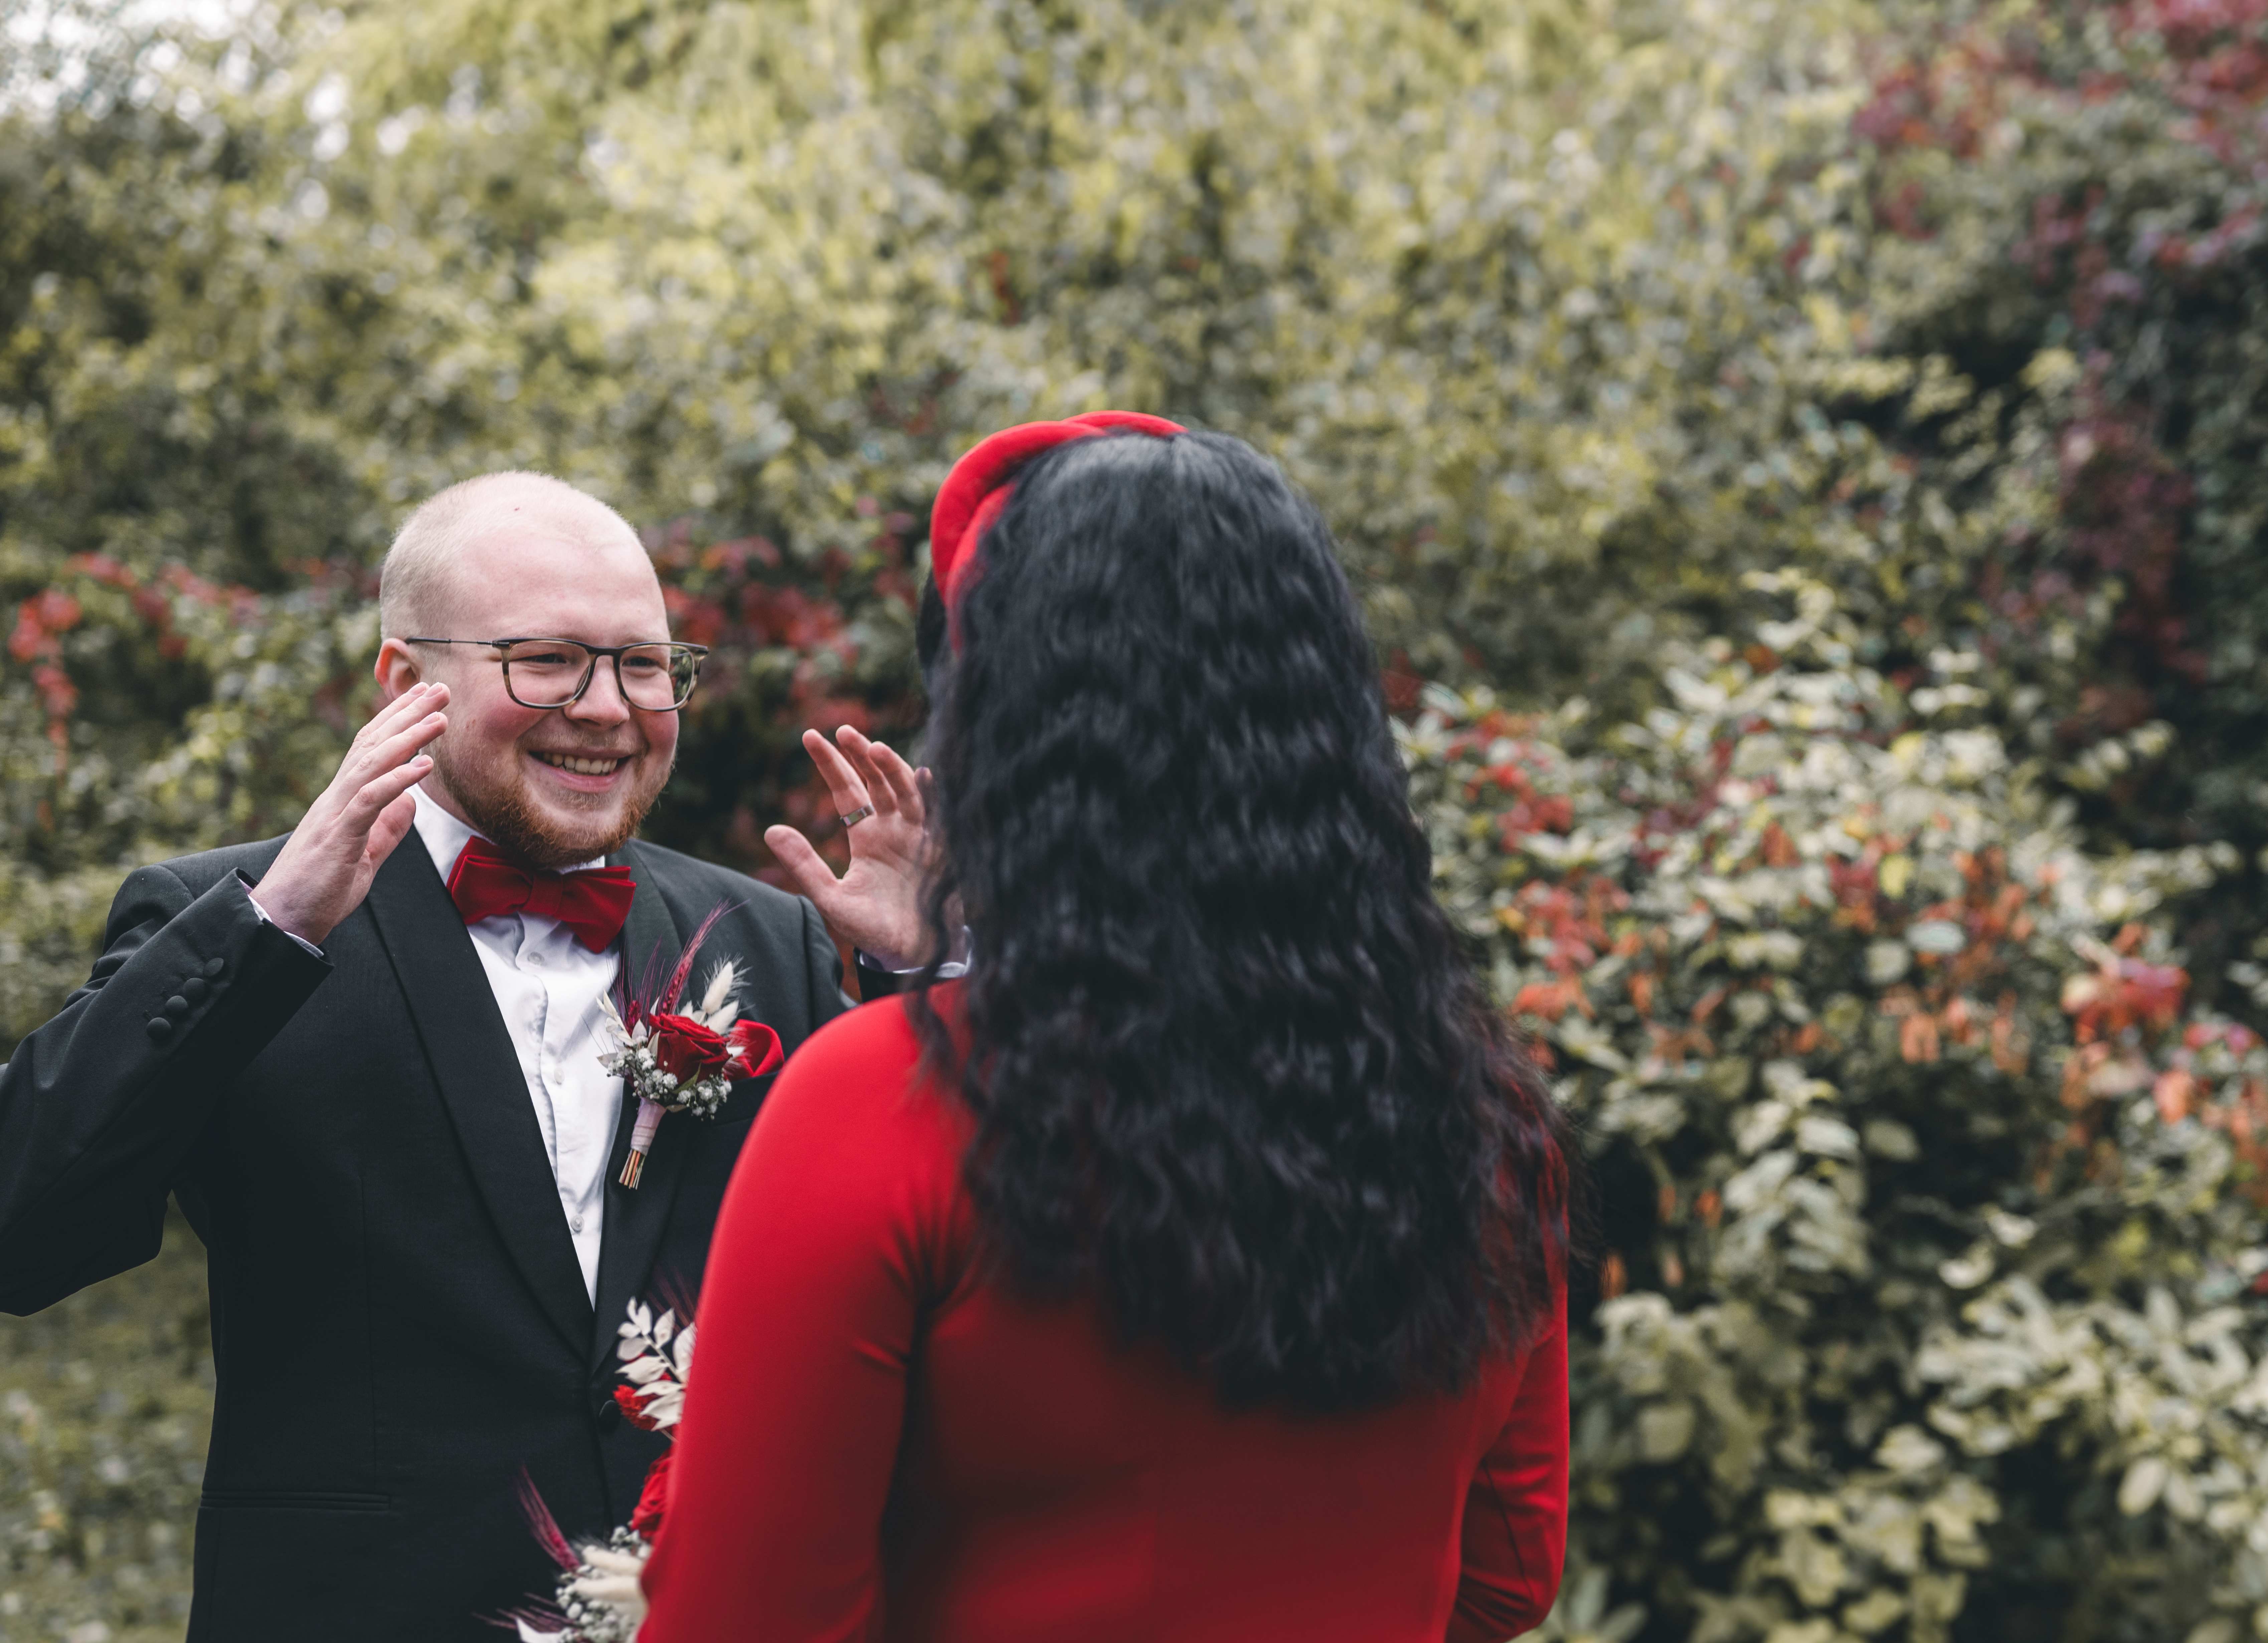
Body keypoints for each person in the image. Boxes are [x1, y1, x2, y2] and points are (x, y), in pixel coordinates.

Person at [640, 418, 1573, 1642]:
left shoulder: (882, 1100)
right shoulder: (1479, 1111)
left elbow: (737, 1619)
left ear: (1005, 741)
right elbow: (1505, 1577)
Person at [0, 472, 931, 1641]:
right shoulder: (232, 917)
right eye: (545, 658)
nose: (607, 708)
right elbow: (22, 1229)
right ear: (406, 682)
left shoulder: (774, 938)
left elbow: (938, 1277)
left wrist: (922, 989)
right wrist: (269, 931)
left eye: (646, 665)